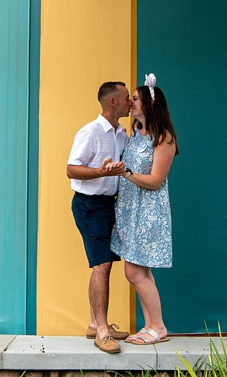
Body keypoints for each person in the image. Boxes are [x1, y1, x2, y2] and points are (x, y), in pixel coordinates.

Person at [67, 81, 133, 354]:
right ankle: (103, 332)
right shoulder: (91, 132)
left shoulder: (121, 134)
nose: (131, 102)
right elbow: (71, 169)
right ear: (113, 102)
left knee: (102, 265)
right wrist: (101, 173)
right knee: (102, 265)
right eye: (127, 97)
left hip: (109, 205)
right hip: (89, 205)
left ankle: (95, 323)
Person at [111, 74, 178, 345]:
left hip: (148, 212)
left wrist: (125, 173)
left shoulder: (164, 138)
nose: (130, 103)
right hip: (130, 210)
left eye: (135, 99)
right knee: (141, 271)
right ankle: (150, 325)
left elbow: (155, 181)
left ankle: (158, 326)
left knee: (134, 272)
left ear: (149, 104)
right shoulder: (135, 135)